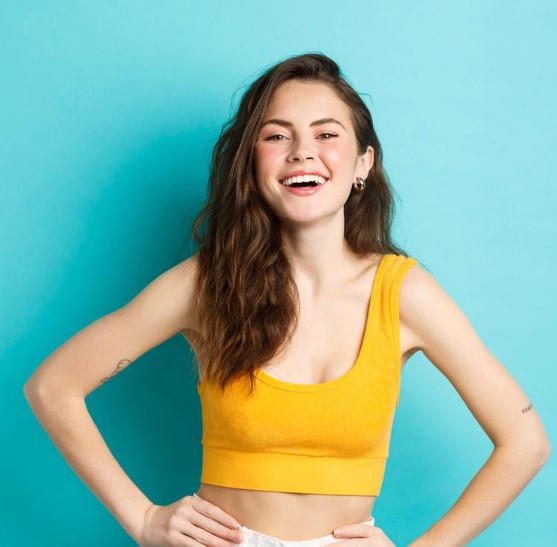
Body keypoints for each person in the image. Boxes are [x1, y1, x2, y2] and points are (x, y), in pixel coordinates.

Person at [23, 52, 550, 547]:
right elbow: (53, 386)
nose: (302, 151)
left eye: (327, 133)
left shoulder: (404, 292)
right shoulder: (206, 284)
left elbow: (525, 442)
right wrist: (142, 518)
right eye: (277, 135)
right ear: (252, 163)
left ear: (363, 163)